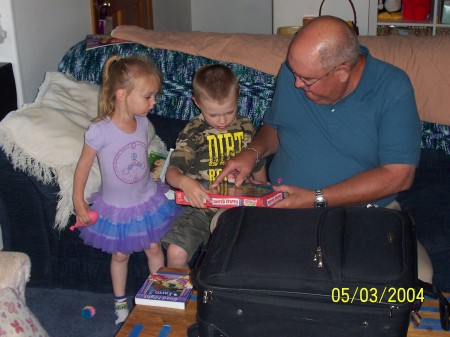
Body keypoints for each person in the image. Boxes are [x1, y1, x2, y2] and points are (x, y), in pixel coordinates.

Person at [213, 16, 433, 282]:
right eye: (293, 73)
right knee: (224, 230)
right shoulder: (294, 73)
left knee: (419, 276)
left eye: (306, 79)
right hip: (283, 205)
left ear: (342, 72)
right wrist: (252, 153)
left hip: (365, 214)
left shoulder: (392, 87)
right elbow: (277, 128)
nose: (296, 84)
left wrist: (317, 198)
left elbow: (399, 174)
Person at [72, 55, 180, 325]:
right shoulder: (100, 130)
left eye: (154, 96)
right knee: (120, 254)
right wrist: (79, 203)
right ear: (122, 94)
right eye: (148, 96)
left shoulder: (143, 122)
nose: (153, 102)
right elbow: (83, 167)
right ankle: (120, 301)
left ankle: (158, 297)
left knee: (154, 248)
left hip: (147, 199)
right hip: (117, 207)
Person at [162, 64, 267, 269]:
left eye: (229, 112)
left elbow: (257, 163)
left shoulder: (246, 125)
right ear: (197, 103)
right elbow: (171, 174)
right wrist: (185, 183)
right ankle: (181, 298)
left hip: (239, 207)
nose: (222, 121)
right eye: (213, 114)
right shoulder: (193, 131)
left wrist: (264, 189)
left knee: (238, 252)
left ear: (238, 98)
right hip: (202, 207)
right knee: (176, 251)